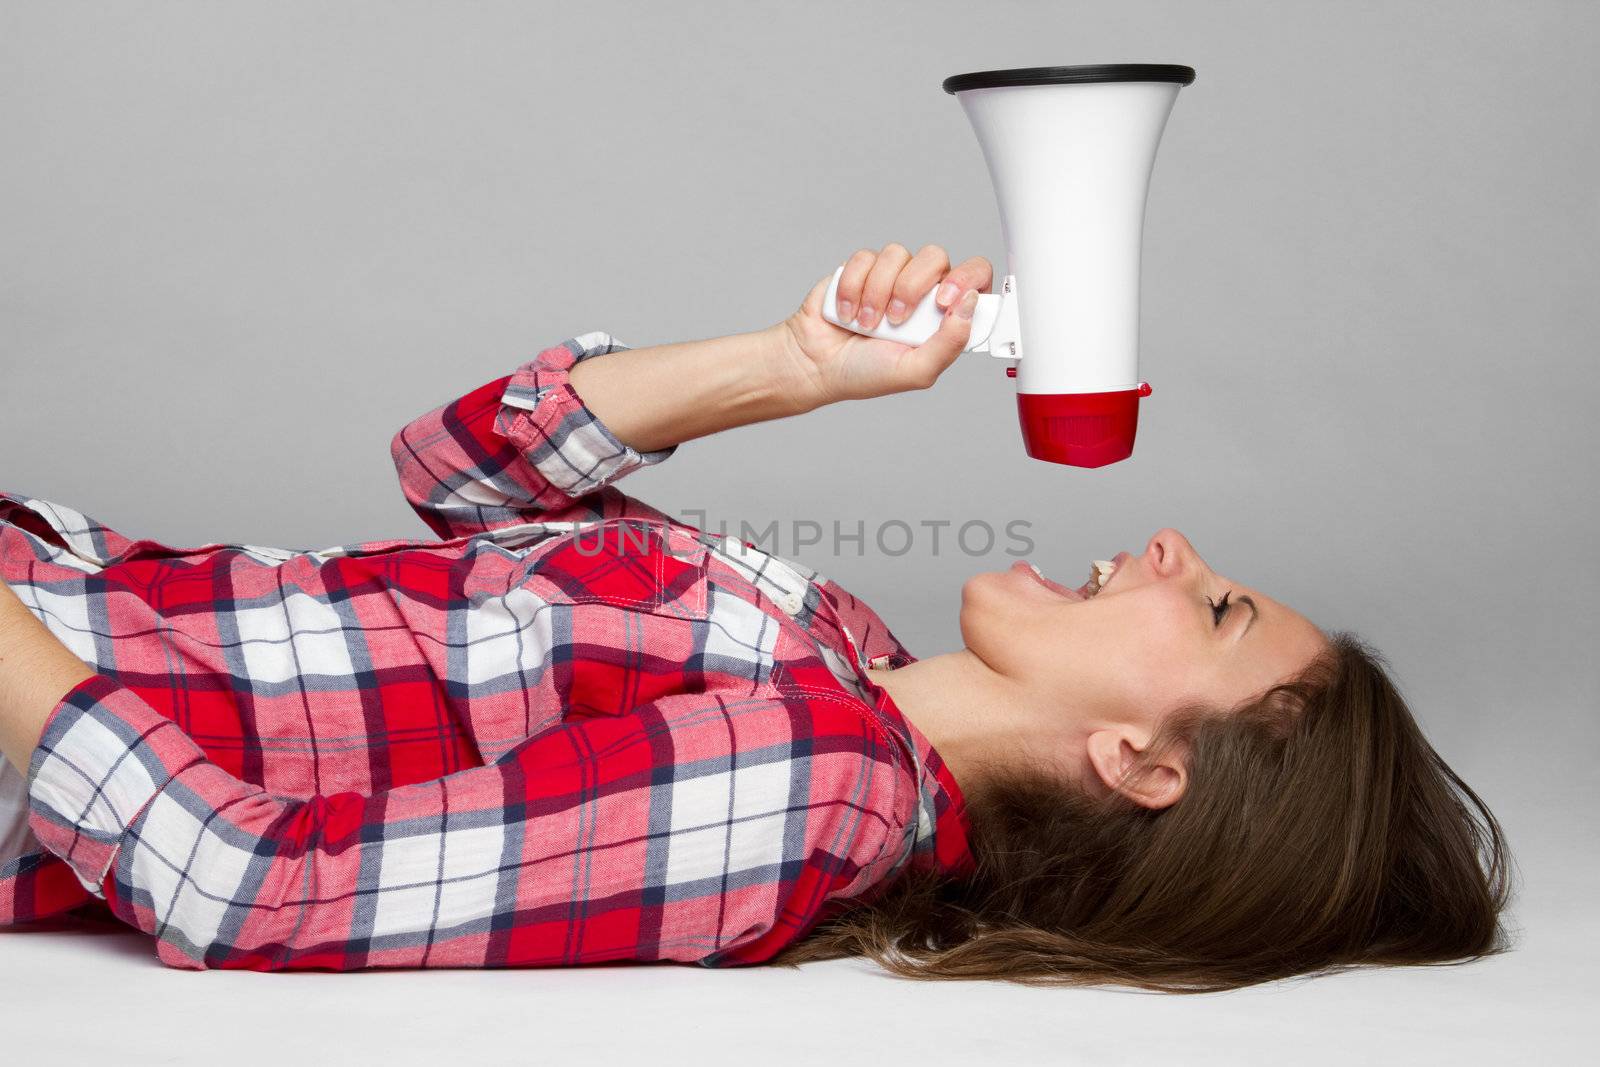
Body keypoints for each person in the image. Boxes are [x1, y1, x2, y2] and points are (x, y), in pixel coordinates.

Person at [0, 243, 1510, 991]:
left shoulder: (816, 793)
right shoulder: (832, 651)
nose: (1177, 546)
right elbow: (458, 471)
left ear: (1144, 761)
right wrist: (800, 364)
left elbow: (250, 892)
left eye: (1223, 606)